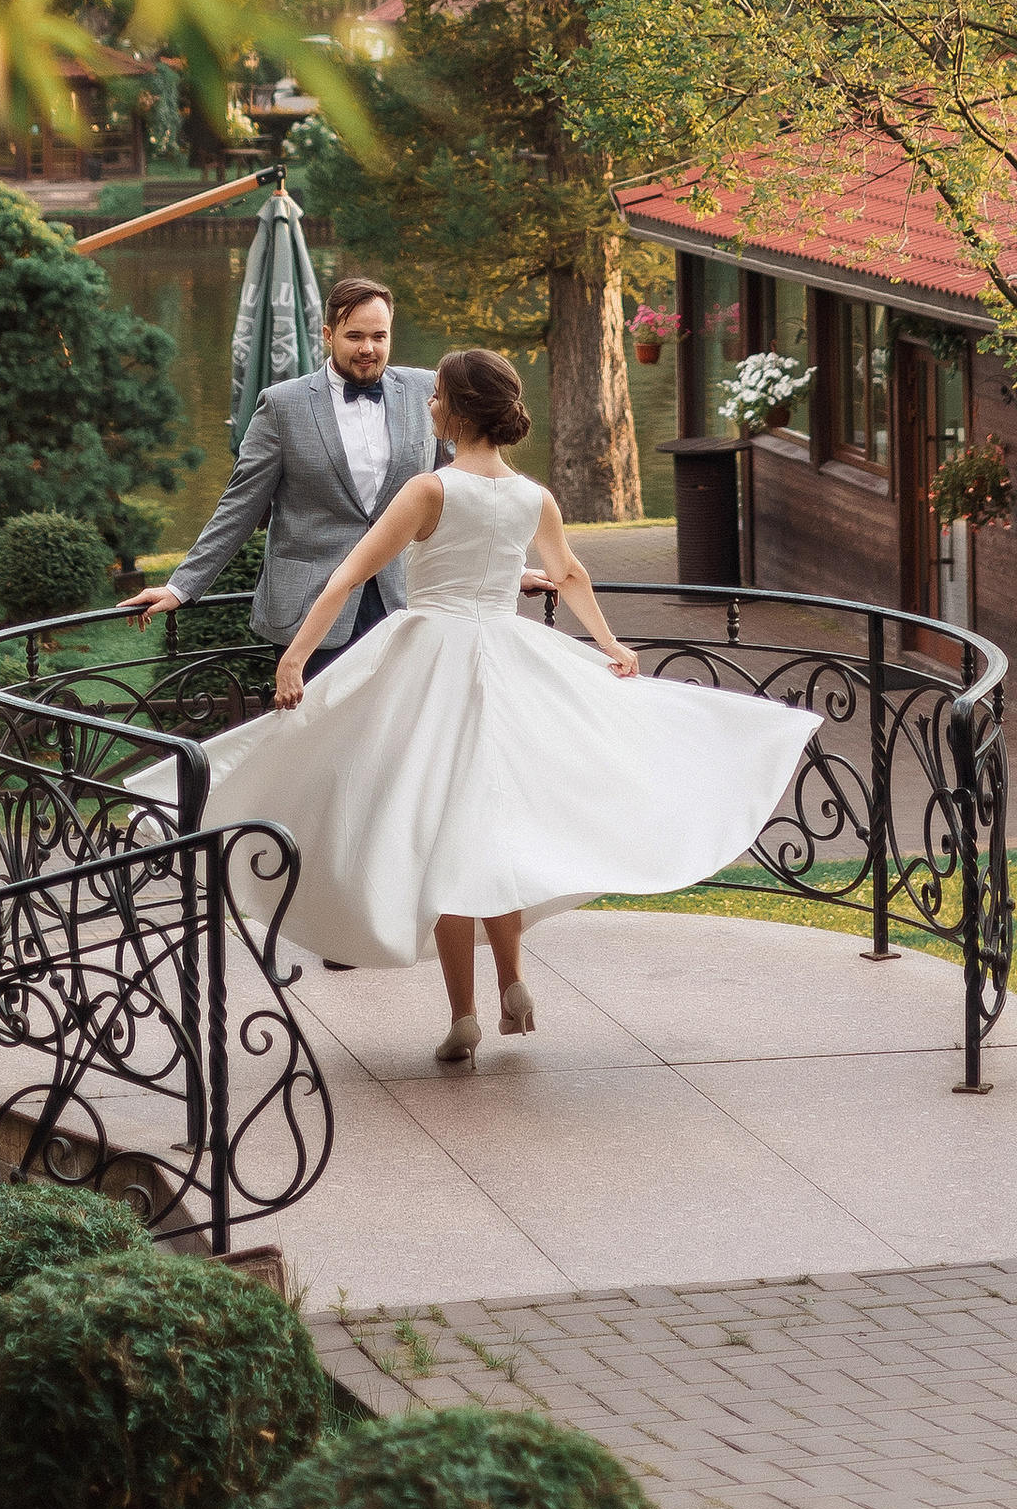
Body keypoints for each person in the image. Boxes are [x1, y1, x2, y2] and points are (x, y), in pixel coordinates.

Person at [138, 347, 816, 1068]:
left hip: (431, 660)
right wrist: (612, 645)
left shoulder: (428, 491)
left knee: (443, 834)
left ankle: (463, 1014)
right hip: (507, 655)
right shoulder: (532, 497)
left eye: (436, 396)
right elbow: (570, 574)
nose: (428, 404)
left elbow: (348, 574)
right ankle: (513, 980)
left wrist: (296, 654)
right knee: (496, 827)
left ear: (454, 411)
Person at [121, 275, 433, 681]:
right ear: (327, 334)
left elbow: (458, 492)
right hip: (309, 609)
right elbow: (240, 506)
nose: (368, 349)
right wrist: (181, 586)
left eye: (379, 336)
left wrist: (510, 569)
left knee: (397, 732)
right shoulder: (282, 405)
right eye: (354, 336)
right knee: (318, 736)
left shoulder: (426, 391)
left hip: (403, 601)